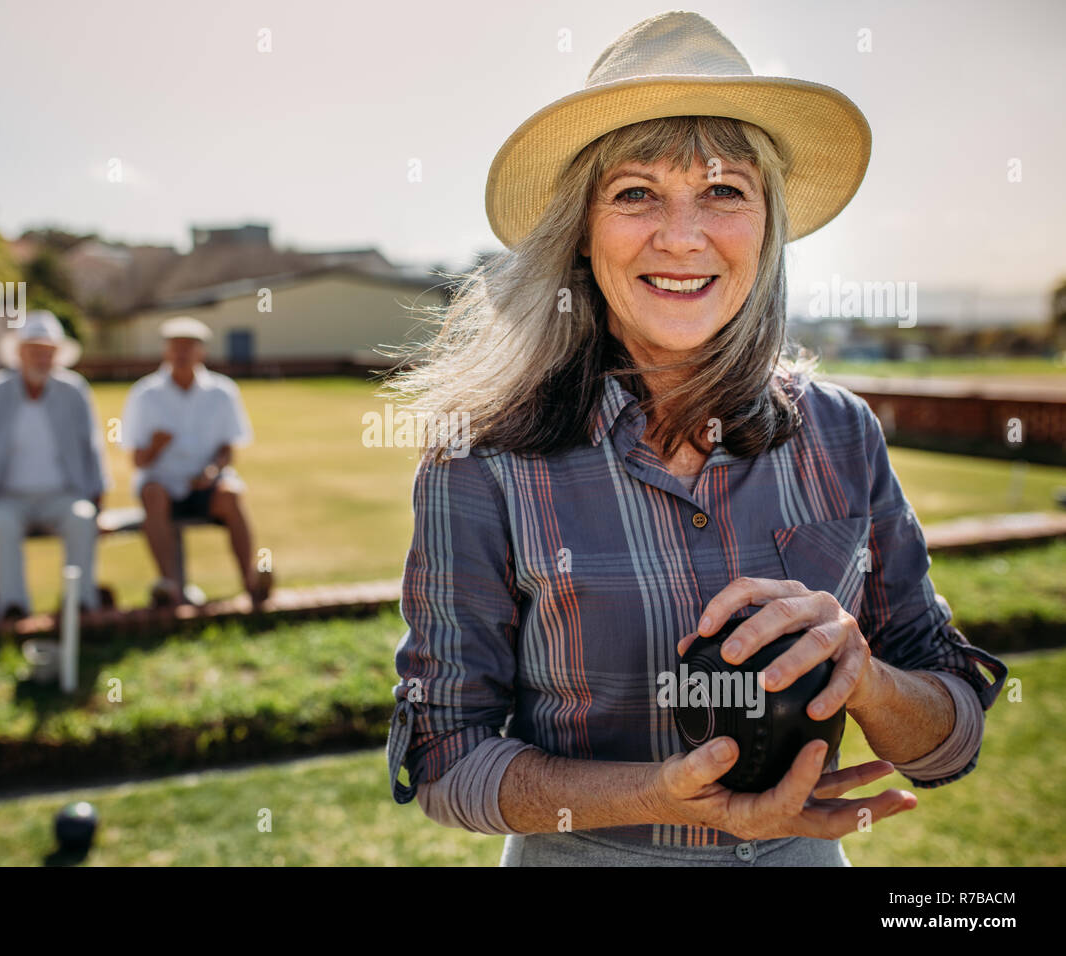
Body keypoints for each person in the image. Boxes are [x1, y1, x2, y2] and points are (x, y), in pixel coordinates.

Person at [383, 11, 1009, 867]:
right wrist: (661, 795)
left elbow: (952, 736)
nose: (682, 237)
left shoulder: (841, 434)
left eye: (724, 191)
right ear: (582, 233)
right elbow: (445, 762)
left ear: (768, 230)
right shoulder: (480, 461)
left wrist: (862, 672)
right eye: (635, 192)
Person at [0, 311, 109, 619]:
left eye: (48, 352)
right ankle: (12, 610)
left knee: (82, 519)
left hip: (62, 495)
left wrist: (100, 508)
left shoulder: (74, 392)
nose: (41, 358)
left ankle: (82, 605)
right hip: (6, 497)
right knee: (1, 525)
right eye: (34, 350)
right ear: (19, 353)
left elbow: (93, 451)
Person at [121, 316, 272, 608]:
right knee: (153, 494)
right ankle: (170, 587)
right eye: (175, 347)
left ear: (201, 351)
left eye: (188, 347)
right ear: (165, 351)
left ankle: (250, 584)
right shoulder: (145, 394)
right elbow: (138, 461)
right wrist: (155, 446)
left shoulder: (222, 392)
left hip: (206, 487)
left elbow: (228, 449)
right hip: (161, 487)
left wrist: (212, 471)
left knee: (232, 494)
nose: (181, 353)